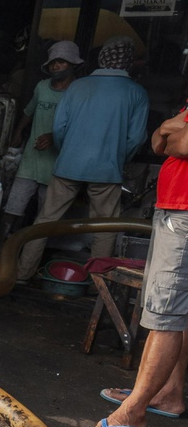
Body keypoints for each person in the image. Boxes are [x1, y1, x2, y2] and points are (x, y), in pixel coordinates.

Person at [89, 106, 188, 427]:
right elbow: (161, 141)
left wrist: (170, 131)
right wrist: (168, 129)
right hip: (176, 208)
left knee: (165, 315)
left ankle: (135, 410)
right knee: (177, 312)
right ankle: (168, 393)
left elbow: (179, 142)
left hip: (185, 214)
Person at [16, 37, 150, 280]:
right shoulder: (137, 92)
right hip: (107, 170)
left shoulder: (77, 87)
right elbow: (136, 138)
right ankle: (96, 284)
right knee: (105, 228)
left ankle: (22, 274)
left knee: (44, 221)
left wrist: (68, 150)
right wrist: (119, 160)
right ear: (128, 63)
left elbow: (58, 127)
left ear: (102, 60)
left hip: (68, 165)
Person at [1, 41, 84, 238]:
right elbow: (29, 112)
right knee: (13, 206)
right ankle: (0, 249)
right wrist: (18, 132)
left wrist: (55, 137)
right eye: (53, 62)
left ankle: (32, 255)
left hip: (57, 163)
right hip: (32, 158)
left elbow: (81, 126)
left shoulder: (78, 92)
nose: (56, 66)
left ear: (73, 65)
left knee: (44, 216)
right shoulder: (42, 87)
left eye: (62, 62)